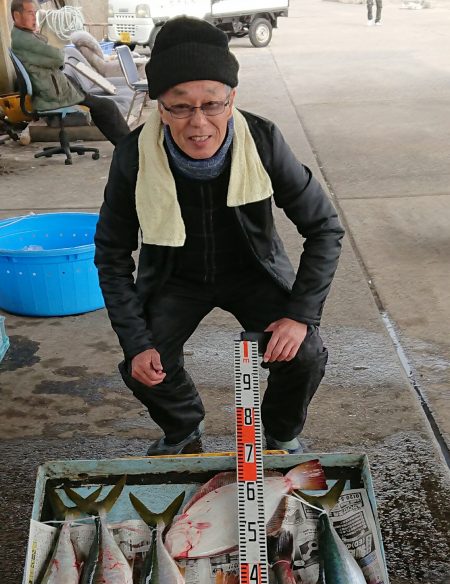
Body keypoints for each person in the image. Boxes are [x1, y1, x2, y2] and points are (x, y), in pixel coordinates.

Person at [94, 16, 345, 456]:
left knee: (305, 352)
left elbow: (324, 227)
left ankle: (281, 433)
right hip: (175, 276)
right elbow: (111, 252)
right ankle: (183, 429)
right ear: (159, 105)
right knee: (143, 364)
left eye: (212, 104)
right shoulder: (134, 154)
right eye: (180, 106)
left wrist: (301, 314)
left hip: (251, 271)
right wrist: (136, 342)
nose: (198, 123)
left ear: (232, 100)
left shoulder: (263, 140)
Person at [10, 0, 130, 146]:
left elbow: (51, 61)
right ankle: (128, 147)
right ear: (16, 16)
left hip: (52, 87)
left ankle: (124, 145)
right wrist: (54, 59)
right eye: (30, 13)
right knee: (107, 106)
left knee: (99, 105)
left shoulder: (21, 36)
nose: (35, 17)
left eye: (35, 13)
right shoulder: (25, 40)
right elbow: (59, 58)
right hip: (53, 94)